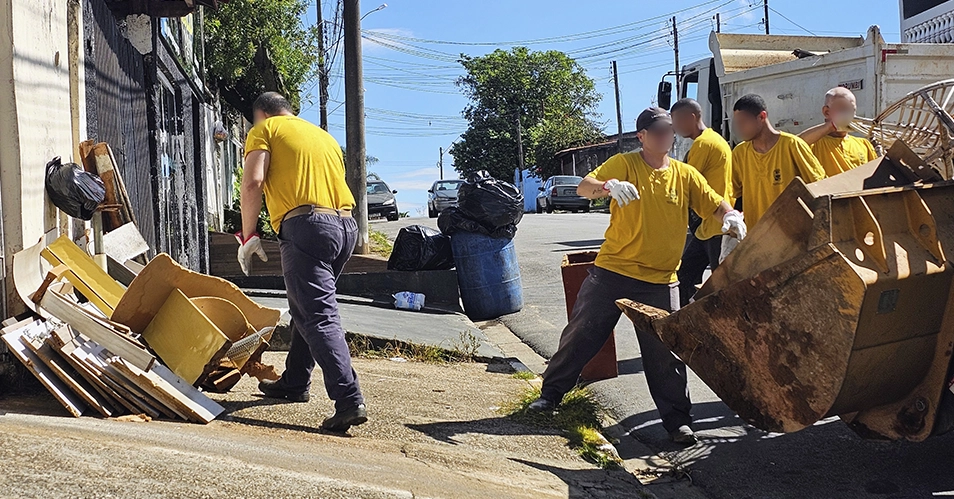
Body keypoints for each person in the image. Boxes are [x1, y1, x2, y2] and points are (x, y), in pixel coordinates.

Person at [527, 107, 747, 445]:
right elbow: (585, 187)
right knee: (583, 336)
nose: (665, 138)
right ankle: (550, 395)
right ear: (642, 136)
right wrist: (608, 186)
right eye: (658, 132)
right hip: (614, 271)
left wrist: (731, 216)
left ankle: (678, 423)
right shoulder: (625, 164)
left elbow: (713, 203)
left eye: (669, 132)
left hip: (661, 280)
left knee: (666, 355)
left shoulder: (685, 174)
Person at [237, 92, 367, 433]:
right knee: (305, 308)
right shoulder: (323, 136)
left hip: (307, 226)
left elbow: (253, 182)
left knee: (318, 316)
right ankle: (295, 382)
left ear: (261, 112)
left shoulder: (264, 129)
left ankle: (349, 400)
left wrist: (249, 235)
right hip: (345, 227)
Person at [670, 98, 733, 306]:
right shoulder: (711, 140)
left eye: (678, 121)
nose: (676, 128)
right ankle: (690, 318)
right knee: (685, 275)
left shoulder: (704, 144)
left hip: (716, 225)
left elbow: (687, 183)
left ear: (692, 117)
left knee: (720, 285)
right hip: (707, 227)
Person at [731, 94, 827, 229]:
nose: (740, 128)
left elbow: (819, 185)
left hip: (792, 234)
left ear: (762, 117)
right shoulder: (739, 153)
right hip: (756, 236)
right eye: (738, 123)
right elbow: (734, 194)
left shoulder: (792, 145)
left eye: (744, 122)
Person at [798, 87, 878, 177]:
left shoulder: (864, 144)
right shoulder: (814, 144)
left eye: (851, 110)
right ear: (826, 112)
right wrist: (831, 126)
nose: (848, 114)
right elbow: (794, 144)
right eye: (842, 110)